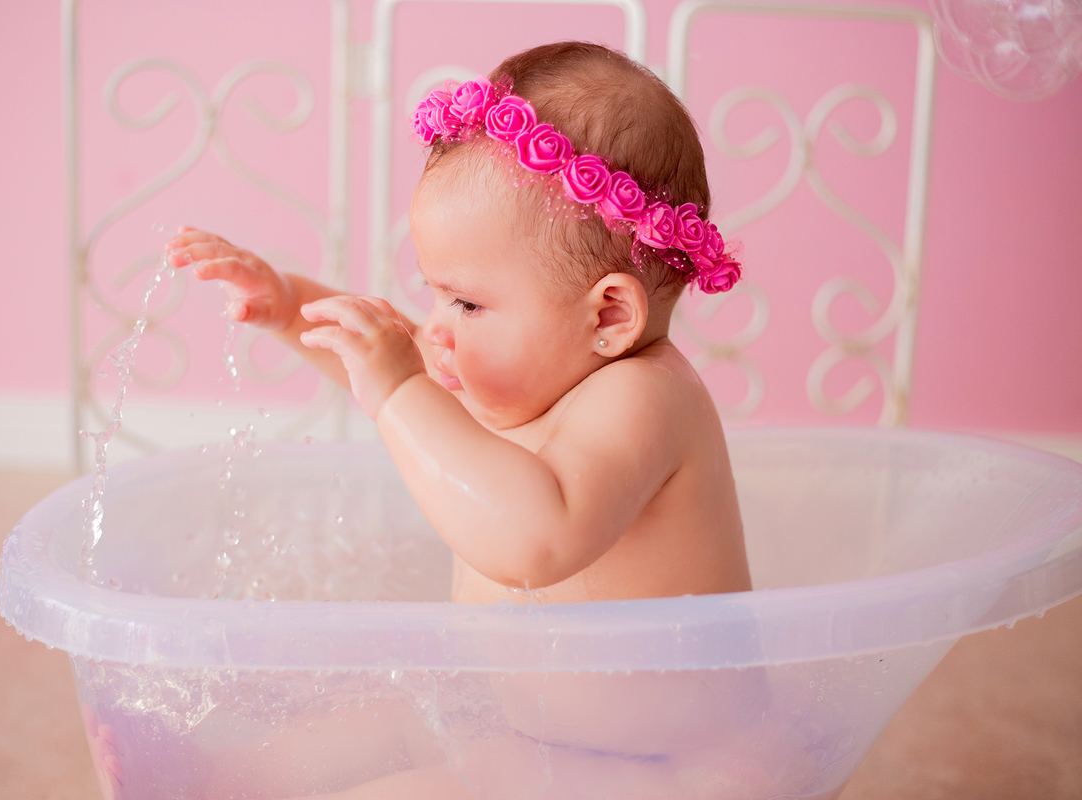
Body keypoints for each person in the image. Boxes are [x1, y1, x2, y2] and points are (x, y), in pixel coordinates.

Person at [169, 40, 794, 800]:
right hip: (537, 732)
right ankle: (214, 780)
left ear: (609, 314)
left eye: (466, 302)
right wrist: (288, 303)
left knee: (440, 788)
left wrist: (399, 390)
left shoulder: (644, 399)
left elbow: (536, 537)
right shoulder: (531, 368)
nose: (437, 328)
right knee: (395, 720)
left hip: (673, 774)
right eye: (435, 294)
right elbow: (392, 363)